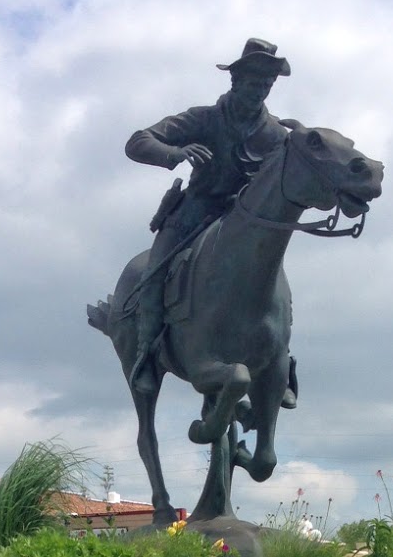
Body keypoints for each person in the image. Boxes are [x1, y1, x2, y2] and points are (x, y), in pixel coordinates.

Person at [124, 37, 292, 395]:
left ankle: (282, 360)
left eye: (266, 84)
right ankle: (146, 357)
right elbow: (138, 141)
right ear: (236, 81)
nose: (259, 90)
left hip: (244, 219)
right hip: (195, 212)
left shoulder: (276, 134)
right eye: (253, 82)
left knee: (274, 284)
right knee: (154, 273)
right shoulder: (204, 118)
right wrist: (175, 151)